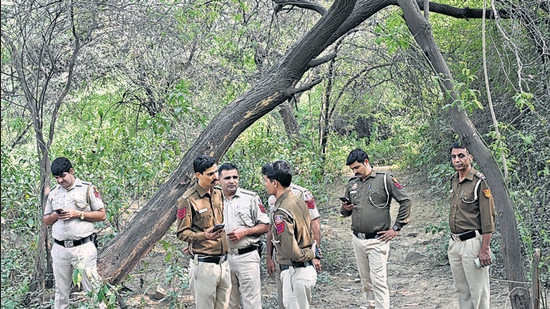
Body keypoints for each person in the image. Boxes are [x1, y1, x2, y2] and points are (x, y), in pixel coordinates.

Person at [340, 148, 412, 309]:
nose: (355, 171)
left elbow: (406, 201)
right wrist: (346, 207)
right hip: (358, 239)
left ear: (366, 162)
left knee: (378, 281)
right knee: (366, 282)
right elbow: (344, 212)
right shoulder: (352, 184)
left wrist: (396, 228)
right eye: (352, 169)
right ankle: (371, 306)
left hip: (378, 240)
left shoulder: (385, 180)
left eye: (357, 167)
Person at [43, 157, 106, 309]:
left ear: (71, 171)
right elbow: (46, 220)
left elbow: (102, 215)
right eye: (56, 178)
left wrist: (77, 214)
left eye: (62, 176)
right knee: (60, 293)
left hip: (83, 248)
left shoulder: (87, 189)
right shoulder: (53, 193)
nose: (59, 180)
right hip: (60, 249)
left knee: (93, 289)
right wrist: (55, 216)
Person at [176, 155, 230, 309]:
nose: (215, 177)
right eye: (210, 174)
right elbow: (182, 233)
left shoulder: (219, 194)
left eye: (216, 172)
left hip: (224, 263)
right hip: (205, 265)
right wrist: (203, 236)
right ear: (198, 175)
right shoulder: (187, 200)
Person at [262, 160, 319, 309]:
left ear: (275, 183)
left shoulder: (281, 211)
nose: (265, 184)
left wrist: (310, 254)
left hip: (295, 272)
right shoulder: (297, 200)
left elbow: (292, 251)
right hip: (302, 271)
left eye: (266, 181)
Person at [448, 142, 496, 309]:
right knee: (462, 291)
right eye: (454, 156)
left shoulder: (479, 182)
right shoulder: (454, 180)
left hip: (472, 244)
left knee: (479, 291)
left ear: (470, 157)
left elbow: (488, 220)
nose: (457, 160)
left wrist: (484, 249)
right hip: (455, 243)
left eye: (461, 155)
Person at [218, 162, 270, 309]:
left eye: (235, 177)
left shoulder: (250, 198)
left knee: (251, 303)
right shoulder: (213, 200)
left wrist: (245, 232)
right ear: (219, 180)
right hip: (223, 259)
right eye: (227, 178)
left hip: (247, 257)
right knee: (228, 303)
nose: (232, 181)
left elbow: (266, 226)